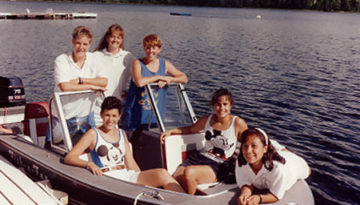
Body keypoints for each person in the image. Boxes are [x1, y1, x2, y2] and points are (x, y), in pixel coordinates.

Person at [64, 96, 185, 193]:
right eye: (107, 115)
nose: (110, 120)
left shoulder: (122, 133)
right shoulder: (93, 134)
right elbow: (69, 157)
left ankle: (185, 201)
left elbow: (130, 162)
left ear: (119, 117)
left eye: (114, 116)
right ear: (101, 115)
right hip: (108, 179)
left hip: (127, 176)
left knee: (162, 174)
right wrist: (89, 164)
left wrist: (142, 181)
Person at [160, 88, 248, 194]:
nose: (221, 108)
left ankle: (190, 201)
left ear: (231, 106)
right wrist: (171, 131)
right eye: (218, 104)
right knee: (175, 178)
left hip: (220, 164)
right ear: (213, 106)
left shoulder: (238, 123)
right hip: (200, 157)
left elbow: (248, 142)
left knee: (189, 173)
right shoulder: (207, 120)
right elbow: (190, 129)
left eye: (225, 104)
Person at [50, 26, 108, 144]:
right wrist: (91, 86)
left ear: (90, 45)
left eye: (85, 44)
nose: (81, 47)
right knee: (53, 149)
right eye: (78, 43)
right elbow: (65, 87)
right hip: (63, 115)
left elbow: (104, 82)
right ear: (73, 42)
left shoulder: (94, 59)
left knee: (90, 149)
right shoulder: (62, 60)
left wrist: (81, 80)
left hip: (86, 115)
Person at [122, 34, 187, 131]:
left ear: (159, 49)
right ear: (144, 48)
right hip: (135, 116)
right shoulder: (137, 63)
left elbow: (184, 78)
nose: (151, 51)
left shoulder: (164, 64)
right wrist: (159, 77)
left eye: (154, 48)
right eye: (148, 48)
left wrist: (169, 79)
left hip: (155, 117)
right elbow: (139, 82)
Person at [235, 128, 311, 205]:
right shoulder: (242, 161)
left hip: (294, 163)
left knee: (307, 170)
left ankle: (282, 150)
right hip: (270, 154)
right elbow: (246, 183)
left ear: (265, 149)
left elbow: (276, 195)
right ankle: (276, 148)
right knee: (277, 152)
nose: (248, 151)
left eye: (254, 146)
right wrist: (244, 194)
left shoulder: (278, 169)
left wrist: (259, 198)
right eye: (245, 146)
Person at [94, 24, 135, 102]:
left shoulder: (128, 57)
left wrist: (131, 92)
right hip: (99, 104)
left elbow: (140, 75)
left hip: (119, 103)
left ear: (122, 40)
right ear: (107, 38)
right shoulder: (96, 56)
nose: (115, 40)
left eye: (118, 37)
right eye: (112, 36)